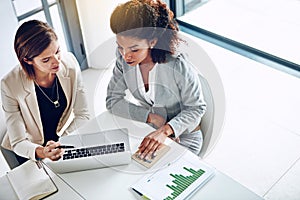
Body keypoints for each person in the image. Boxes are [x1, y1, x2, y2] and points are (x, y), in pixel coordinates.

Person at [106, 0, 206, 159]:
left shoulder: (176, 65)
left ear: (152, 42)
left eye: (134, 49)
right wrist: (151, 117)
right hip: (149, 129)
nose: (125, 55)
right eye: (120, 46)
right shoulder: (123, 59)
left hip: (184, 137)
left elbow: (196, 108)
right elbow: (113, 101)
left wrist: (166, 130)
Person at [1, 20, 90, 167]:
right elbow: (18, 142)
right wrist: (43, 152)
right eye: (46, 59)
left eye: (57, 51)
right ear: (28, 60)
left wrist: (61, 143)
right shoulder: (9, 85)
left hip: (56, 141)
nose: (56, 62)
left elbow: (83, 115)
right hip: (27, 150)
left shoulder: (70, 64)